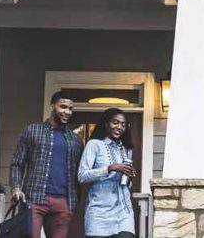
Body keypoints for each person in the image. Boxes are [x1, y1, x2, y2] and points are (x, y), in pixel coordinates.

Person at [10, 91, 84, 238]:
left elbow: (80, 173)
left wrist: (75, 202)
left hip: (63, 201)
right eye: (63, 107)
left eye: (70, 109)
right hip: (34, 198)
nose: (67, 112)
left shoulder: (75, 139)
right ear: (52, 106)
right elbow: (17, 163)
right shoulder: (32, 131)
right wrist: (16, 187)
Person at [78, 107, 137, 238]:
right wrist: (110, 168)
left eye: (123, 124)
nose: (120, 127)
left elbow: (126, 184)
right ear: (106, 124)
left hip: (124, 211)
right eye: (115, 122)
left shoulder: (126, 149)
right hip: (100, 213)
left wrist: (128, 177)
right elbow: (82, 175)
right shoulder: (94, 145)